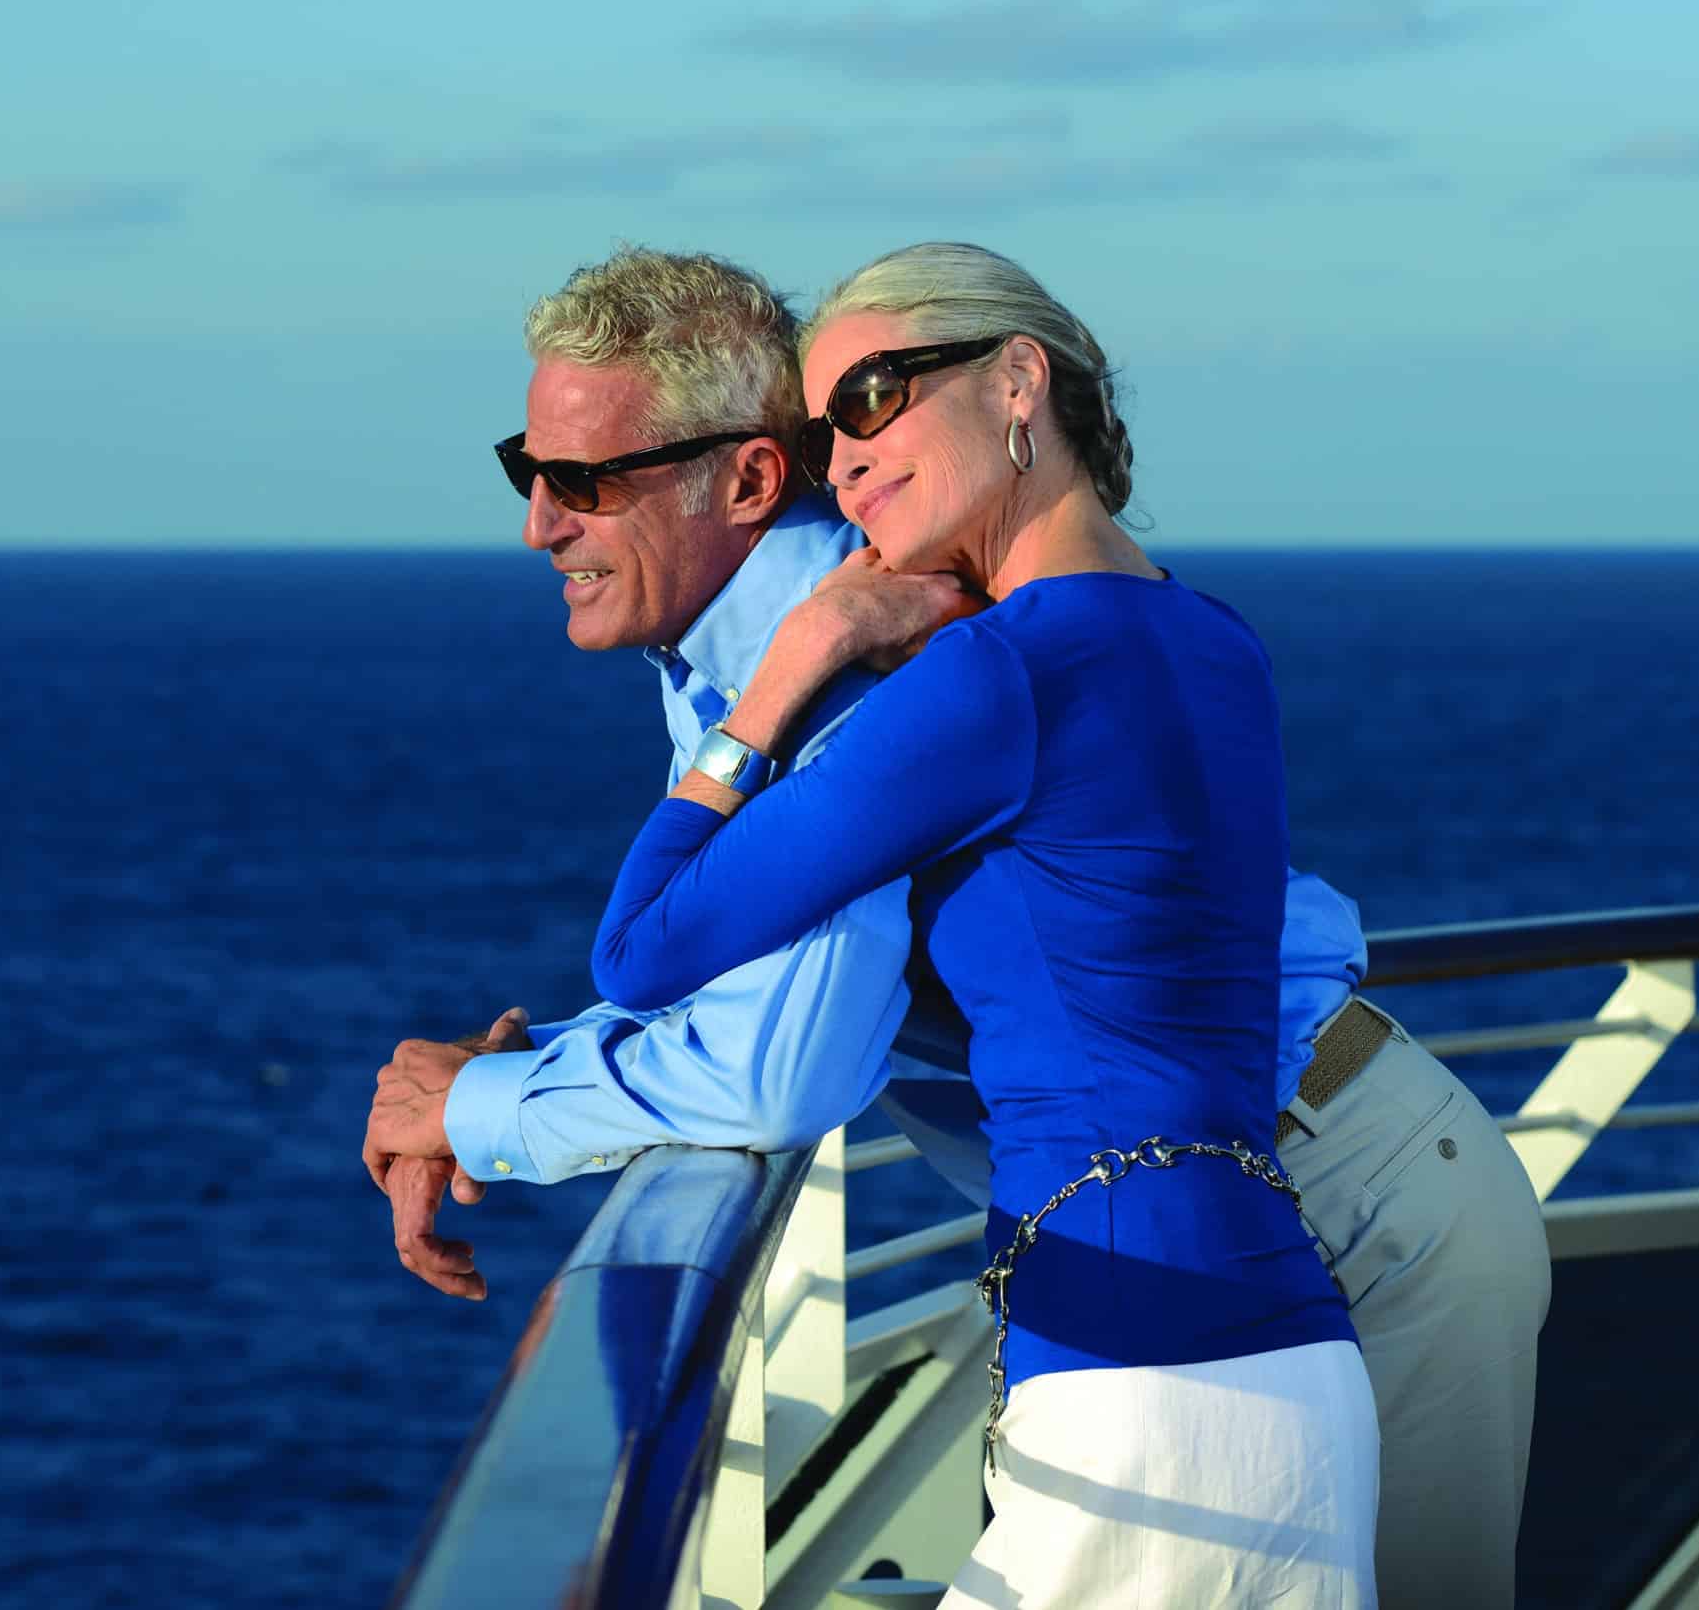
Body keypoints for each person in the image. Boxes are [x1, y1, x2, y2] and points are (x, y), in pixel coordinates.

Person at [362, 246, 1549, 1606]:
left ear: (1016, 380)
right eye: (529, 472)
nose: (540, 523)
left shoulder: (907, 661)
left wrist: (487, 1109)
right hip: (1234, 1243)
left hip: (1312, 1207)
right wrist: (516, 1074)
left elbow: (742, 1034)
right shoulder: (1174, 625)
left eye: (582, 481)